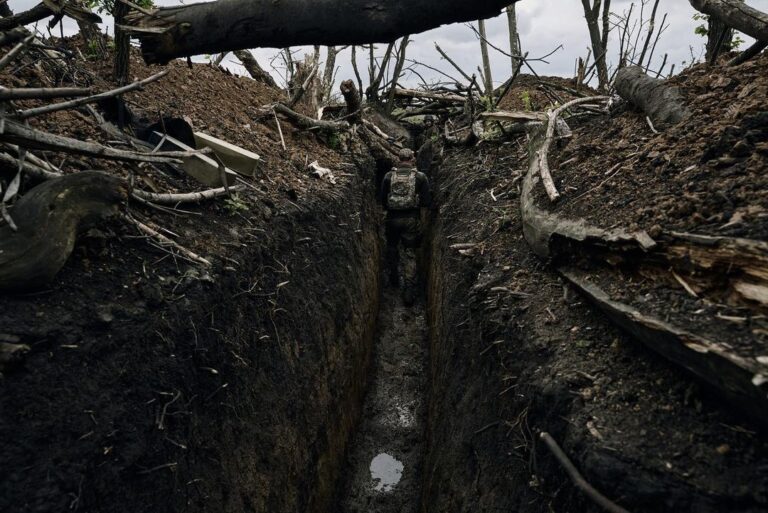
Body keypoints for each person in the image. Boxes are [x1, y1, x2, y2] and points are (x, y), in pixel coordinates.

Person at [380, 148, 432, 305]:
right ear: (413, 158)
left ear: (398, 158)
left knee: (392, 247)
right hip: (411, 220)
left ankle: (394, 276)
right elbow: (426, 202)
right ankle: (409, 291)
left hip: (392, 219)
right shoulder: (420, 177)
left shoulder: (389, 176)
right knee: (409, 253)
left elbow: (382, 199)